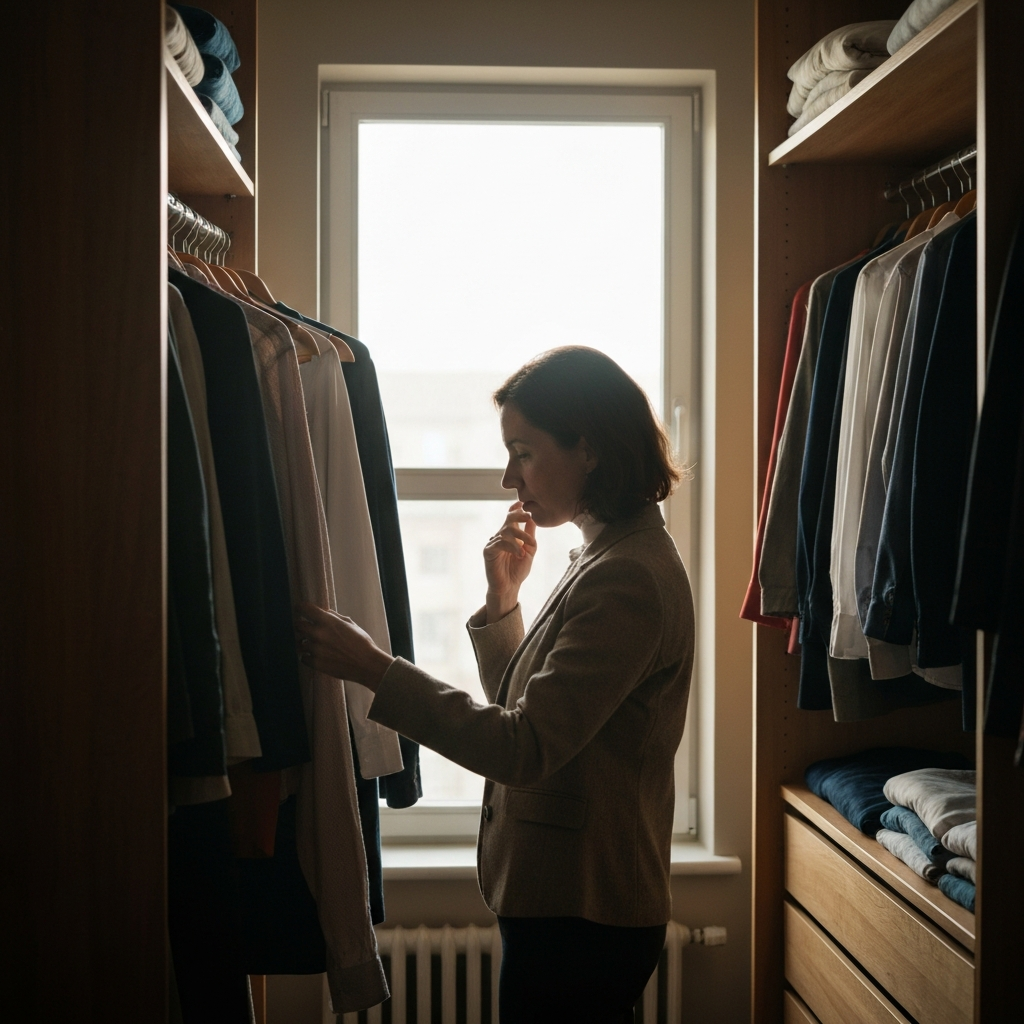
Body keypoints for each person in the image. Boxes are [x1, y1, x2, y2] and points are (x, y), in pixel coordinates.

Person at [296, 346, 695, 1023]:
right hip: (567, 905)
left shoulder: (627, 577)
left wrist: (373, 668)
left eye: (524, 452)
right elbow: (530, 714)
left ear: (589, 449)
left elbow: (521, 747)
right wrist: (504, 602)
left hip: (584, 915)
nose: (510, 476)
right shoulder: (604, 556)